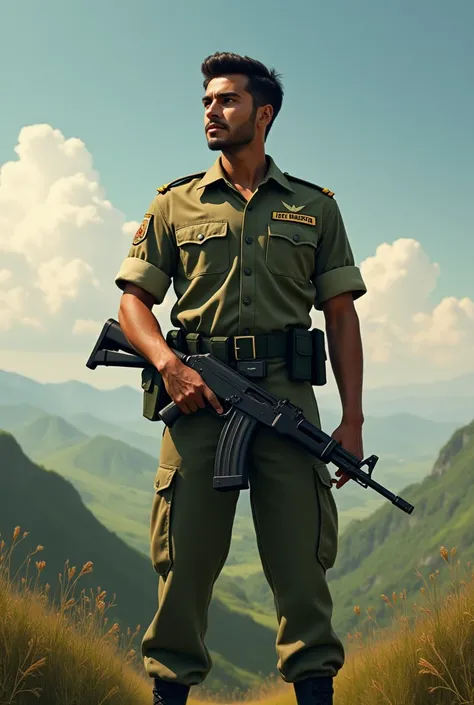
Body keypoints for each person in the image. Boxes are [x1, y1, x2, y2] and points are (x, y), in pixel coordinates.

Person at [114, 52, 367, 705]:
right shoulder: (175, 203)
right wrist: (169, 365)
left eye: (226, 100)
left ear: (264, 112)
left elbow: (340, 315)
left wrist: (353, 415)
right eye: (206, 101)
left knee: (302, 572)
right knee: (184, 570)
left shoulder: (316, 208)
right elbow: (132, 305)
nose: (211, 111)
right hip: (196, 399)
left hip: (287, 399)